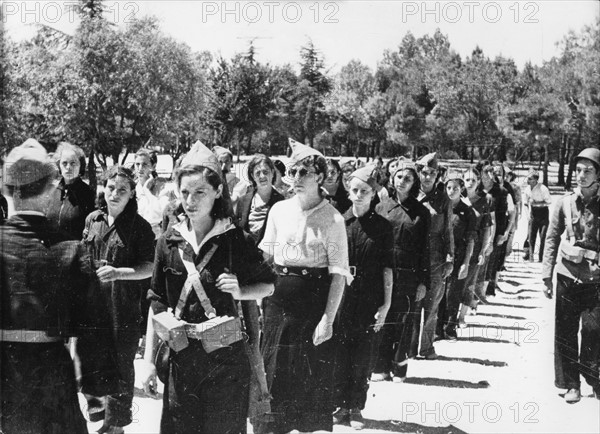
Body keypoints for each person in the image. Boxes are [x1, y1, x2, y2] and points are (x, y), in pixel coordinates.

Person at [141, 141, 276, 434]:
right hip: (181, 359)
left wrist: (241, 291)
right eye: (185, 192)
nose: (190, 201)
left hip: (226, 362)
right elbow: (156, 301)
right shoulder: (168, 241)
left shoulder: (236, 239)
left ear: (217, 191)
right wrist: (150, 363)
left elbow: (268, 285)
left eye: (200, 192)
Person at [258, 138, 352, 434]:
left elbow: (338, 275)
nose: (295, 179)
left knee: (308, 379)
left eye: (303, 173)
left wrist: (328, 320)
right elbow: (265, 258)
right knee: (273, 374)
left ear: (320, 177)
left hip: (311, 308)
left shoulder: (333, 219)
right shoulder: (279, 211)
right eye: (292, 172)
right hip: (276, 306)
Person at [0, 139, 91, 433]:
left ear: (4, 189)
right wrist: (96, 385)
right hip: (52, 370)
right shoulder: (69, 248)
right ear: (51, 188)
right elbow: (93, 323)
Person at [79, 165, 155, 434]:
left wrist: (119, 273)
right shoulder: (93, 220)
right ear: (104, 188)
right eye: (111, 187)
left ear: (132, 193)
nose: (115, 193)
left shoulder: (139, 227)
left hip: (123, 308)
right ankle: (100, 412)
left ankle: (116, 425)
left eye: (122, 190)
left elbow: (149, 267)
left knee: (121, 365)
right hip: (93, 306)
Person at [332, 165, 393, 429]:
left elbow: (388, 268)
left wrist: (387, 304)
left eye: (364, 191)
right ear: (348, 189)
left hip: (369, 297)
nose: (358, 195)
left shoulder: (382, 227)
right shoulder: (337, 222)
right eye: (354, 190)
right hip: (342, 296)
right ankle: (338, 405)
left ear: (373, 193)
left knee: (363, 354)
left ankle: (355, 407)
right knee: (338, 351)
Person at [543, 147, 600, 403]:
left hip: (596, 279)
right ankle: (571, 384)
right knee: (565, 332)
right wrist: (546, 275)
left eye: (588, 170)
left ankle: (591, 372)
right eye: (578, 170)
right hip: (567, 274)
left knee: (593, 329)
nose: (582, 175)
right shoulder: (564, 202)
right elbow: (552, 238)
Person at [372, 165, 430, 382]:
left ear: (414, 183)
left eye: (408, 178)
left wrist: (424, 282)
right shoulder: (380, 207)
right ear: (392, 178)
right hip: (382, 273)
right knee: (382, 317)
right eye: (399, 176)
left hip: (409, 275)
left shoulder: (421, 212)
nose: (403, 181)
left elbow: (426, 248)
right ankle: (380, 366)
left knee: (404, 320)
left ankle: (399, 366)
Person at [415, 152, 454, 359]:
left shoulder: (443, 200)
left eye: (432, 173)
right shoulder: (412, 196)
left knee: (432, 305)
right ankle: (409, 348)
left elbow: (448, 230)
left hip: (436, 259)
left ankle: (427, 347)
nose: (428, 177)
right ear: (418, 173)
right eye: (424, 172)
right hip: (413, 258)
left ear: (437, 175)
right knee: (412, 305)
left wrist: (450, 259)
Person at [442, 170, 476, 339]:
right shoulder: (441, 208)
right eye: (449, 187)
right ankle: (437, 330)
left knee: (453, 294)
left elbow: (470, 240)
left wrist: (466, 263)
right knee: (440, 294)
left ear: (461, 188)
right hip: (441, 257)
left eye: (456, 187)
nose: (452, 191)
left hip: (459, 256)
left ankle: (450, 328)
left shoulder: (468, 212)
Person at [459, 166, 495, 322]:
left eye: (474, 180)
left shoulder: (485, 200)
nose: (470, 183)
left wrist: (486, 247)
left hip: (476, 245)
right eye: (467, 180)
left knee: (469, 282)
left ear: (479, 181)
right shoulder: (456, 196)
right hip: (457, 244)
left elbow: (488, 226)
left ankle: (461, 317)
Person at [46, 142, 96, 240]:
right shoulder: (52, 192)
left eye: (73, 163)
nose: (68, 167)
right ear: (59, 165)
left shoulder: (88, 194)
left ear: (80, 166)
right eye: (64, 163)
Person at [481, 163, 515, 298]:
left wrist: (507, 233)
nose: (492, 175)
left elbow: (512, 212)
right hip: (480, 229)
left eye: (495, 172)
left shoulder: (503, 191)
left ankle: (486, 292)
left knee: (491, 261)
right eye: (489, 172)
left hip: (497, 230)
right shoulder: (478, 190)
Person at [134, 149, 167, 237]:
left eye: (144, 164)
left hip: (154, 239)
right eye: (137, 164)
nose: (140, 168)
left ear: (153, 166)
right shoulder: (132, 187)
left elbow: (159, 215)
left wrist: (147, 191)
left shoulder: (162, 188)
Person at [523, 170, 552, 262]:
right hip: (533, 213)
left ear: (535, 180)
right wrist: (528, 215)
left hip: (543, 213)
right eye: (527, 178)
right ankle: (531, 258)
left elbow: (549, 202)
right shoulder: (527, 189)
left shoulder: (543, 188)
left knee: (543, 236)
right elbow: (525, 203)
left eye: (530, 179)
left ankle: (541, 257)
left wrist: (537, 203)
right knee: (531, 236)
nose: (528, 180)